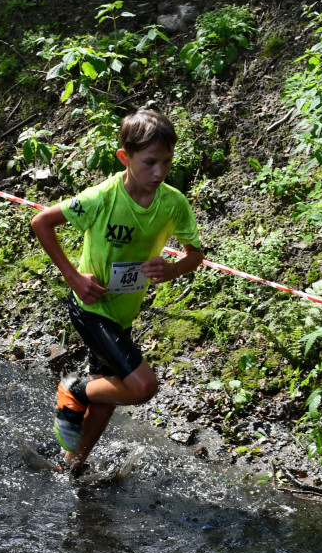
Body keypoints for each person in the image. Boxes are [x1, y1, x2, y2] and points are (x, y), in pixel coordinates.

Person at [31, 109, 203, 474]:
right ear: (125, 157)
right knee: (142, 386)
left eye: (167, 162)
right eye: (150, 162)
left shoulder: (173, 203)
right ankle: (74, 391)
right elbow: (42, 222)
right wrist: (74, 277)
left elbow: (195, 255)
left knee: (107, 396)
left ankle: (73, 464)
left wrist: (171, 269)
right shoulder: (103, 197)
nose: (159, 172)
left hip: (124, 311)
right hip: (91, 306)